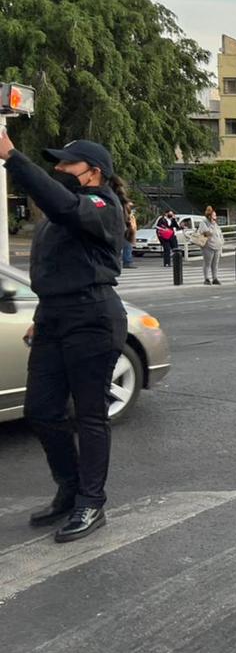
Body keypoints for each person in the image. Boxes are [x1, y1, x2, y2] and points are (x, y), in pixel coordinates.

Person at [0, 133, 128, 542]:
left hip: (92, 316)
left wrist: (11, 157)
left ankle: (91, 501)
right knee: (41, 409)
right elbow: (57, 268)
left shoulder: (103, 205)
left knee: (88, 415)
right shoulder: (62, 214)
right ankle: (69, 489)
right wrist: (42, 312)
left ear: (93, 173)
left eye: (67, 165)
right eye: (56, 164)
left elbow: (62, 203)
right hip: (56, 317)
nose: (58, 169)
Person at [197, 206, 225, 285]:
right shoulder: (204, 222)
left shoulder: (215, 224)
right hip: (208, 246)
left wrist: (222, 241)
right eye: (214, 216)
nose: (215, 217)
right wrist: (211, 226)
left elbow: (219, 233)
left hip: (217, 245)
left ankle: (215, 278)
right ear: (209, 216)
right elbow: (207, 232)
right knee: (207, 263)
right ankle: (206, 278)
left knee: (215, 263)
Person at [122, 202, 137, 269]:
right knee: (127, 247)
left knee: (128, 247)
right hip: (126, 232)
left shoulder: (129, 214)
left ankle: (128, 261)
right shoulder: (124, 213)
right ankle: (127, 262)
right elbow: (126, 222)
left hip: (129, 231)